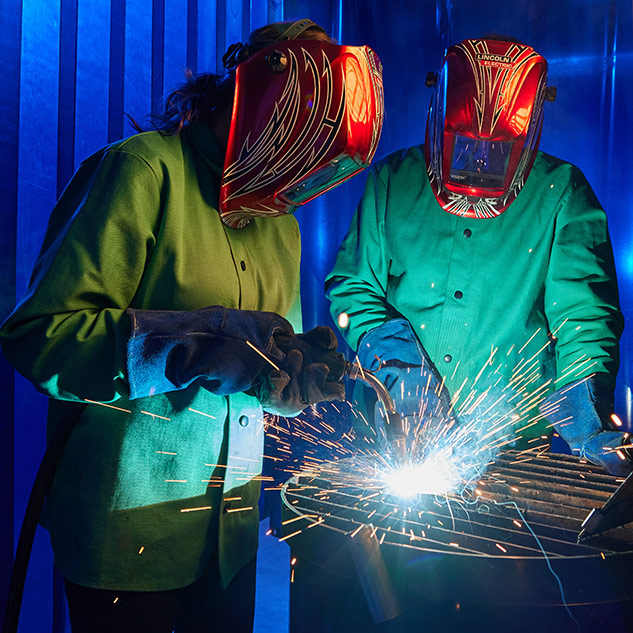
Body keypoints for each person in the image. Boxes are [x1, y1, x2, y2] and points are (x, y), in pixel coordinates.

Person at [0, 19, 383, 633]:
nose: (294, 176)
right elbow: (40, 336)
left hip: (231, 536)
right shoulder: (142, 174)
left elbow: (259, 374)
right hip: (128, 538)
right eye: (296, 147)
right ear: (257, 106)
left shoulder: (278, 222)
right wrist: (188, 346)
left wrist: (295, 382)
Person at [325, 36, 628, 477]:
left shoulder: (562, 194)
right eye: (465, 146)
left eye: (497, 150)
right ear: (441, 114)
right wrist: (404, 375)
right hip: (394, 440)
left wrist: (586, 421)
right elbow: (354, 289)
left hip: (510, 458)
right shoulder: (394, 180)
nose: (479, 163)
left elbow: (584, 321)